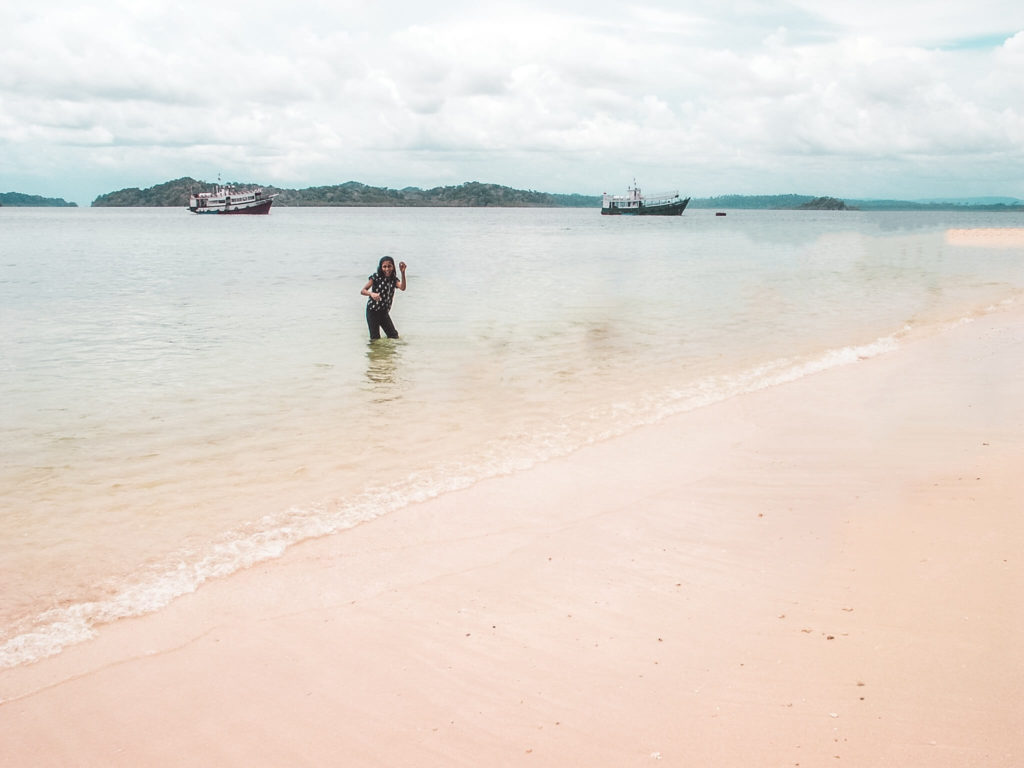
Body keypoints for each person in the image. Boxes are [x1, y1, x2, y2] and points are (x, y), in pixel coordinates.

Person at [361, 256, 407, 339]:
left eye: (389, 266)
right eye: (384, 267)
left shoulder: (393, 280)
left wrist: (403, 273)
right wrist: (371, 294)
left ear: (393, 267)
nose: (387, 269)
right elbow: (363, 291)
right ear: (381, 267)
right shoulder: (376, 277)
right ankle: (376, 352)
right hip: (372, 311)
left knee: (393, 336)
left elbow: (403, 287)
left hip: (384, 312)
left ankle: (387, 351)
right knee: (375, 338)